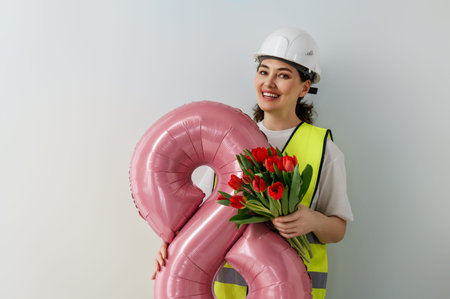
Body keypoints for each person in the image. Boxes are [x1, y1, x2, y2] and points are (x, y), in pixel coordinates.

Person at [152, 28, 353, 299]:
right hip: (224, 292)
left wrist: (312, 220)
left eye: (283, 75)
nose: (269, 83)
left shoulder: (323, 149)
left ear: (305, 87)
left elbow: (338, 229)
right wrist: (173, 247)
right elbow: (199, 219)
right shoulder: (225, 141)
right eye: (263, 71)